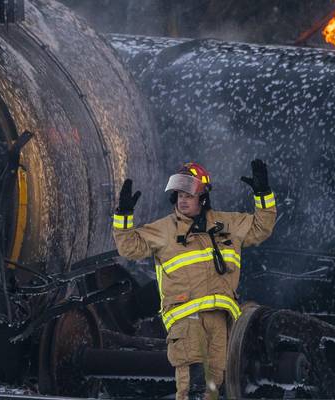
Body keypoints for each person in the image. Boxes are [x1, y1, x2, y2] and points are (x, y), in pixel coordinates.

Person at [112, 160, 277, 400]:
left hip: (220, 318)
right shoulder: (165, 230)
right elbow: (129, 247)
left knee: (211, 389)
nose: (183, 199)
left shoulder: (227, 224)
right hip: (185, 318)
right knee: (193, 385)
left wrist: (263, 195)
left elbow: (262, 227)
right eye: (179, 194)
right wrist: (123, 215)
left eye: (189, 194)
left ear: (203, 196)